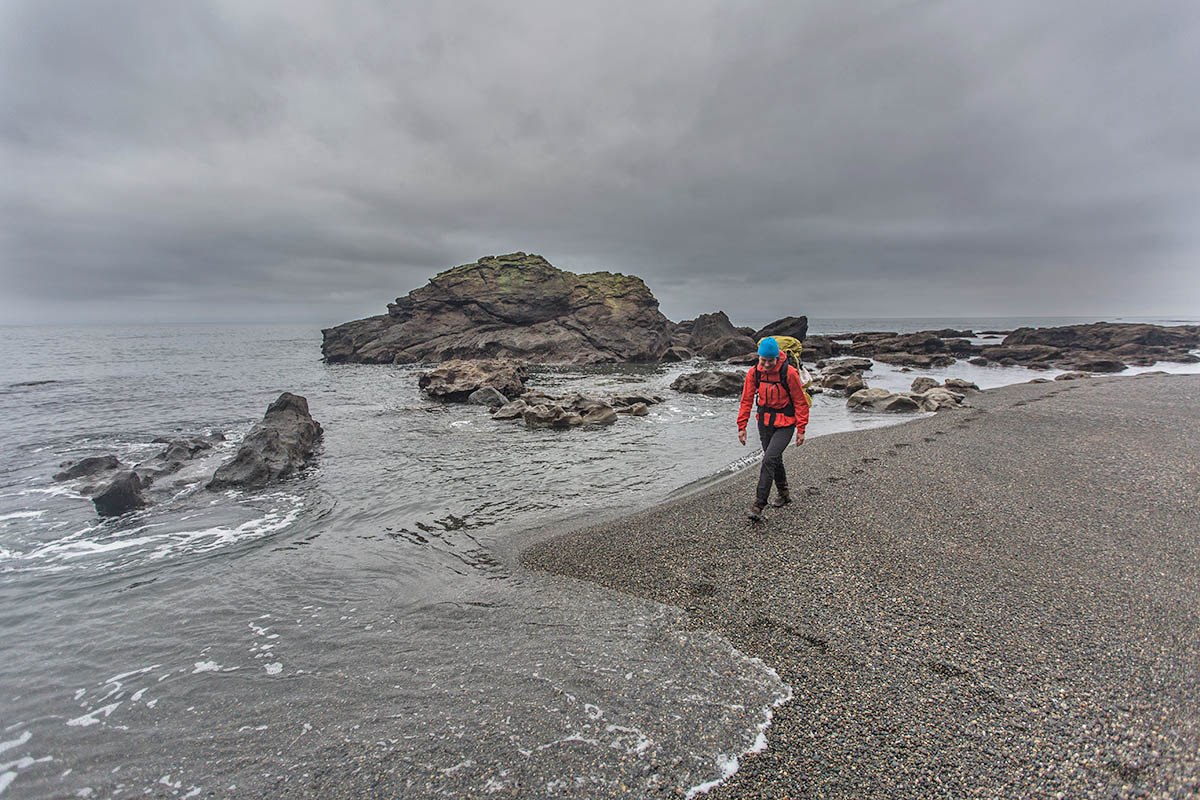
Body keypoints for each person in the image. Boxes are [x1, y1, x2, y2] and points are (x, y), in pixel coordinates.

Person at [737, 336, 809, 521]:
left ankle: (758, 505)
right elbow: (746, 400)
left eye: (771, 360)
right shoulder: (754, 373)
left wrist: (801, 429)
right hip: (765, 423)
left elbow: (800, 402)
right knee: (774, 458)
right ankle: (784, 494)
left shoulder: (789, 373)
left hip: (786, 423)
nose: (767, 364)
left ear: (777, 358)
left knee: (768, 459)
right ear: (758, 357)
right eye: (763, 360)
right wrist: (742, 426)